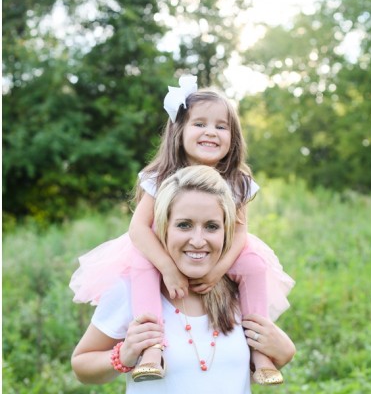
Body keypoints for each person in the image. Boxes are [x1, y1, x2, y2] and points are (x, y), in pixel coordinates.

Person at [69, 75, 294, 384]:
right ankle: (152, 348)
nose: (211, 132)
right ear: (179, 131)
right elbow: (138, 228)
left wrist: (218, 272)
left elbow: (241, 234)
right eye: (199, 124)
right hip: (157, 253)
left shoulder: (237, 180)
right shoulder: (161, 176)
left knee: (253, 263)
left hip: (224, 257)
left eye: (221, 127)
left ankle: (260, 352)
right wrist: (167, 268)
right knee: (142, 264)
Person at [71, 165, 296, 392]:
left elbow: (235, 374)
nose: (198, 241)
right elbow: (81, 366)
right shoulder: (133, 290)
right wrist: (124, 354)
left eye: (211, 226)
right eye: (184, 225)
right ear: (163, 228)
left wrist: (284, 352)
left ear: (226, 232)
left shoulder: (239, 291)